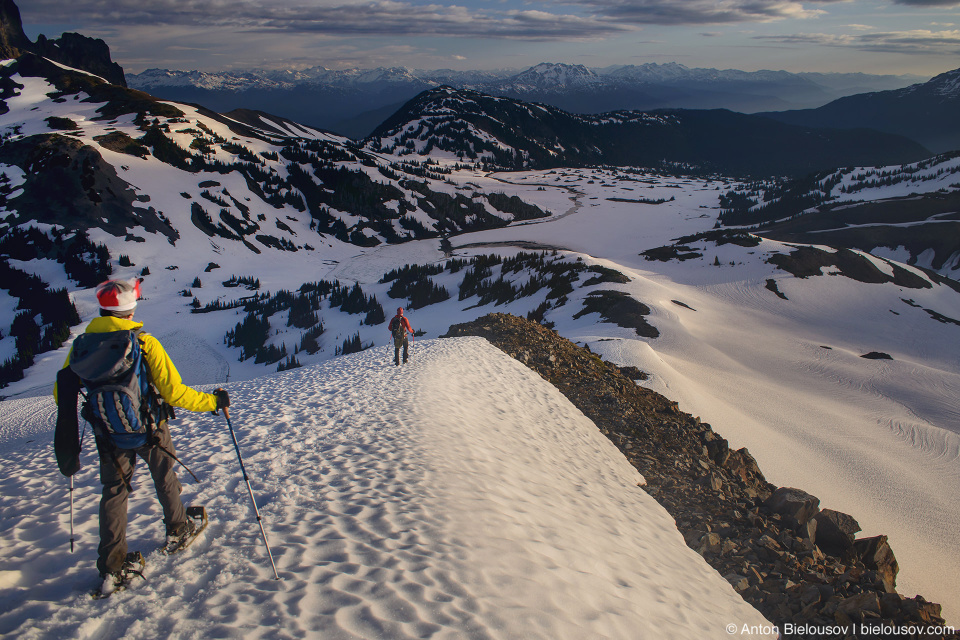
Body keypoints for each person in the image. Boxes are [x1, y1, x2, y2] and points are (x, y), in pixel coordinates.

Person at [54, 278, 229, 595]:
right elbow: (175, 393)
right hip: (150, 427)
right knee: (164, 475)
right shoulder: (144, 343)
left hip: (107, 433)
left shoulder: (82, 346)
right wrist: (213, 402)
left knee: (114, 491)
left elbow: (59, 394)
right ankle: (177, 529)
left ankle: (112, 565)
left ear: (104, 307)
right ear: (131, 308)